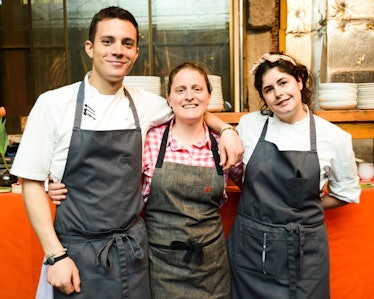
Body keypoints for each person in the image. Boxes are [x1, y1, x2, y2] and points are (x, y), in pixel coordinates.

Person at [10, 7, 242, 299]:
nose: (118, 51)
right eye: (108, 41)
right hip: (76, 254)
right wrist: (56, 255)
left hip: (133, 255)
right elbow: (30, 182)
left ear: (135, 53)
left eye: (127, 44)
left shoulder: (145, 104)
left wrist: (227, 130)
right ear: (90, 48)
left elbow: (189, 107)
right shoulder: (54, 104)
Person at [227, 53, 361, 299]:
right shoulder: (249, 125)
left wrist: (302, 206)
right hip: (252, 249)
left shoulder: (334, 137)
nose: (278, 93)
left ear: (299, 81)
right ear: (264, 97)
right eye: (268, 89)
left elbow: (346, 193)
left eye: (283, 82)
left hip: (304, 254)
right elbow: (240, 173)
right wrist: (225, 128)